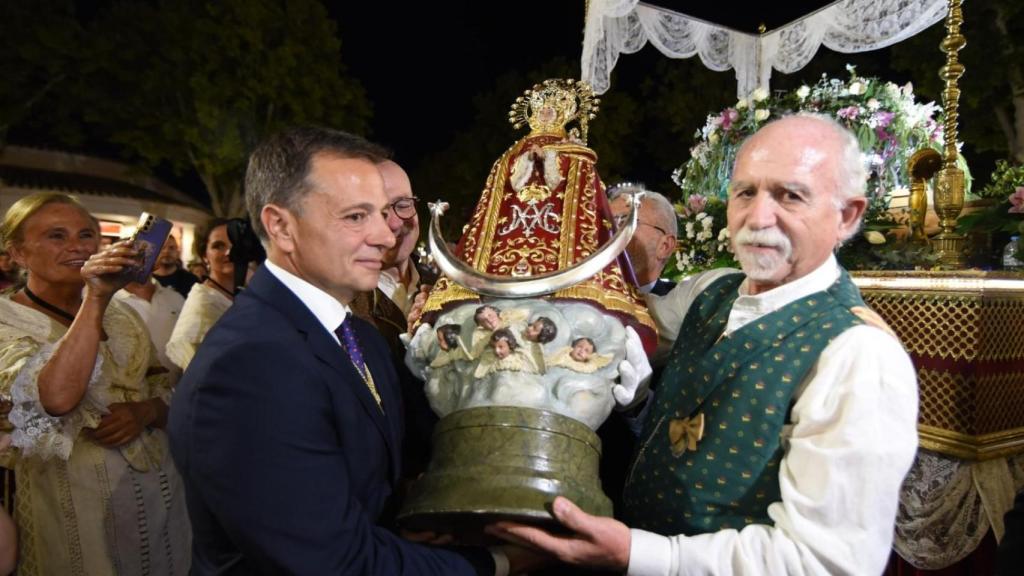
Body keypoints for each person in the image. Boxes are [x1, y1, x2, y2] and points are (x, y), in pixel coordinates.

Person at [489, 114, 919, 576]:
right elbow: (615, 322)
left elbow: (826, 562)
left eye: (790, 195)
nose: (758, 217)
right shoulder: (715, 294)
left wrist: (645, 555)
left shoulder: (858, 354)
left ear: (847, 216)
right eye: (746, 192)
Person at [167, 126, 509, 575]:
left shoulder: (356, 334)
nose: (386, 237)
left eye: (386, 213)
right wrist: (498, 563)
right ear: (281, 227)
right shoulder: (249, 366)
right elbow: (335, 562)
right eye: (355, 217)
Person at [0, 192, 189, 574]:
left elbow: (164, 393)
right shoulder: (7, 320)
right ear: (17, 253)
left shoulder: (123, 316)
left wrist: (146, 411)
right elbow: (55, 398)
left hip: (157, 500)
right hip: (64, 507)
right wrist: (97, 297)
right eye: (57, 235)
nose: (76, 246)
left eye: (86, 234)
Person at [165, 218, 233, 371]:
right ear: (204, 256)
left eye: (235, 244)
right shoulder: (202, 305)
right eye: (218, 246)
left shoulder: (242, 293)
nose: (229, 252)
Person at [608, 184, 679, 296]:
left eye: (626, 222)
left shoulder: (683, 307)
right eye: (608, 223)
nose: (611, 232)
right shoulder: (575, 295)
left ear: (665, 246)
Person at [114, 276, 186, 384]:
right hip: (130, 395)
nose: (139, 260)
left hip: (177, 392)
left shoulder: (176, 298)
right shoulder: (107, 303)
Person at [152, 234, 198, 298]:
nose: (166, 251)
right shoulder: (147, 281)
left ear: (178, 252)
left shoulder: (191, 280)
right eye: (162, 247)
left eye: (171, 248)